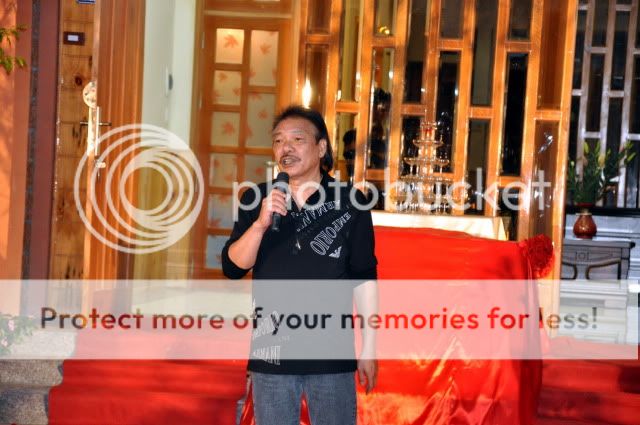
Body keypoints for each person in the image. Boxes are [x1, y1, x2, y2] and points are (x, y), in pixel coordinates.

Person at [221, 105, 378, 425]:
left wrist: (370, 347)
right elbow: (233, 267)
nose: (286, 148)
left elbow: (364, 278)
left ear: (321, 148)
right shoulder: (257, 199)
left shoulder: (351, 201)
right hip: (272, 352)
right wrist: (260, 225)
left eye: (297, 139)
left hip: (331, 352)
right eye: (279, 141)